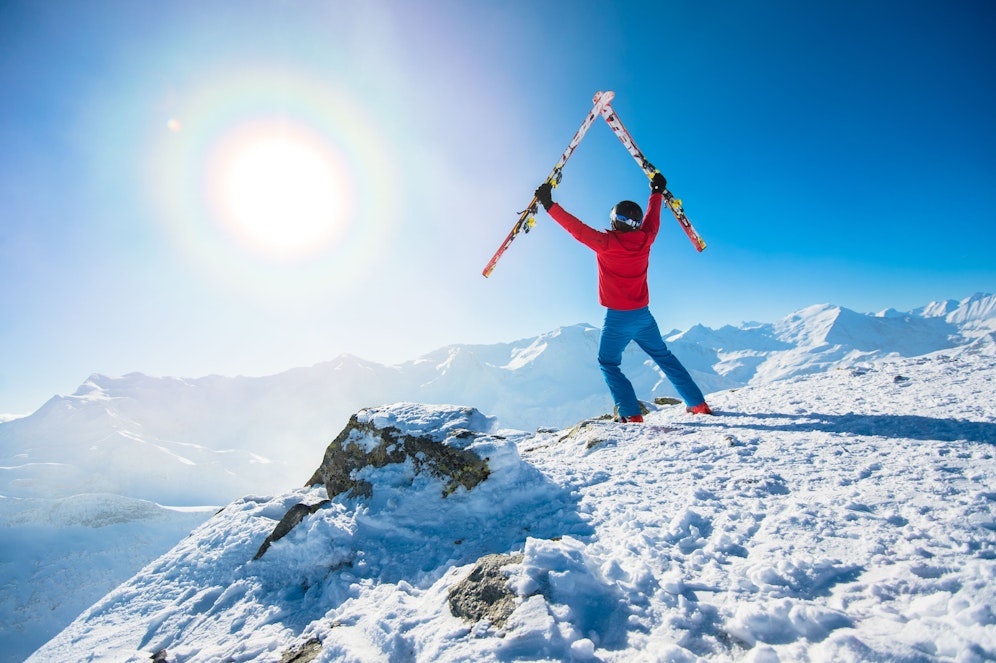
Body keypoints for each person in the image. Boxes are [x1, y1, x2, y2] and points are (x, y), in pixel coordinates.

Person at [534, 173, 712, 422]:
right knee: (664, 357)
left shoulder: (605, 243)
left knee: (608, 362)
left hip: (617, 318)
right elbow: (653, 220)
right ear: (636, 224)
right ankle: (697, 404)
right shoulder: (646, 239)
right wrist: (656, 192)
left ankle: (631, 414)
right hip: (643, 316)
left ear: (615, 222)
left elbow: (576, 229)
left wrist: (549, 204)